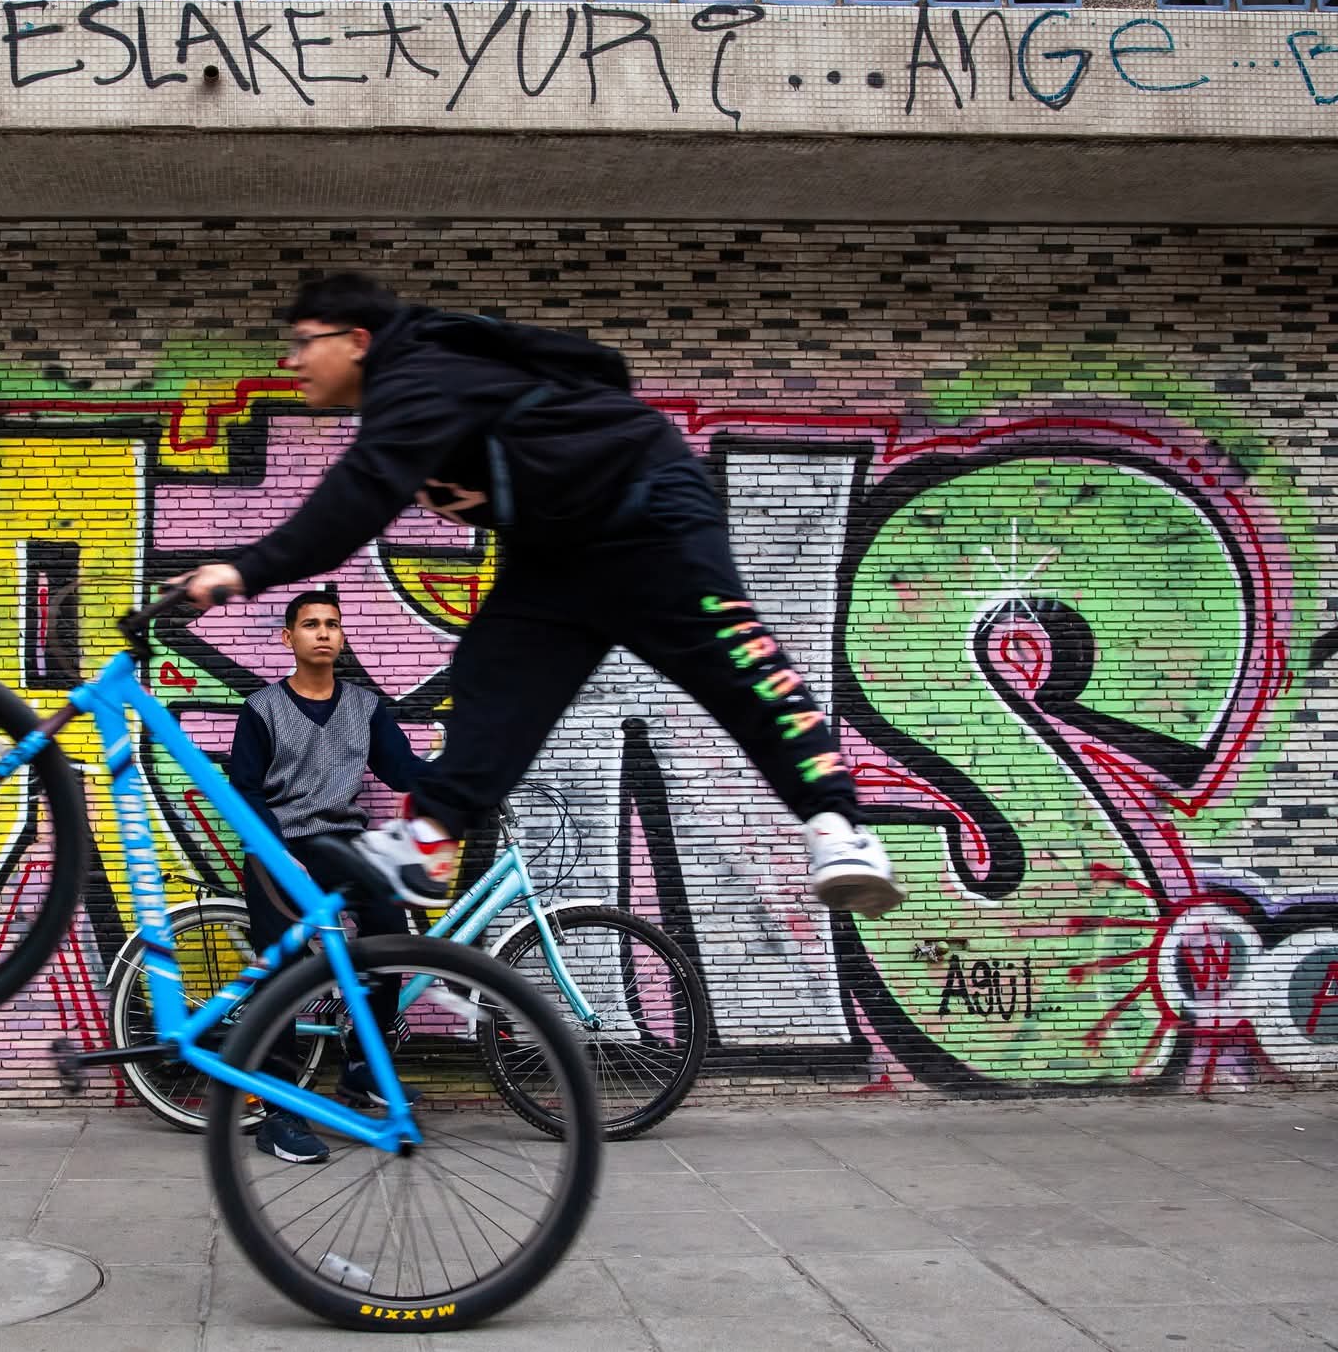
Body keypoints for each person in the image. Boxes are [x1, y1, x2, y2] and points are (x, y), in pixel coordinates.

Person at [180, 272, 904, 921]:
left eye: (305, 342)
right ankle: (428, 844)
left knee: (741, 673)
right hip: (555, 555)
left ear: (358, 340)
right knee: (490, 677)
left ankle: (841, 832)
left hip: (651, 517)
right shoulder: (410, 394)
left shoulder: (421, 375)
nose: (293, 361)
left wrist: (243, 570)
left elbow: (354, 502)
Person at [227, 589, 419, 1165]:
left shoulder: (364, 706)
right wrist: (279, 853)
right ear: (288, 639)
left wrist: (464, 781)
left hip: (343, 842)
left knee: (388, 934)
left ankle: (363, 1066)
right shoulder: (261, 708)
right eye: (309, 624)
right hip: (277, 846)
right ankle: (279, 1114)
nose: (323, 632)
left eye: (332, 624)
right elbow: (245, 791)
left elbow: (401, 768)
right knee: (283, 970)